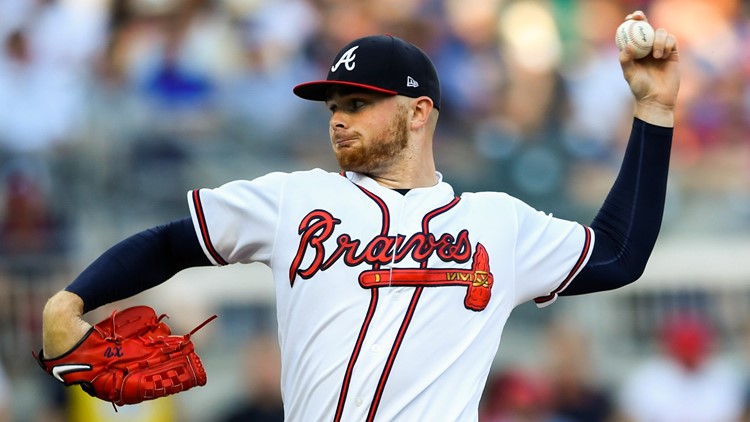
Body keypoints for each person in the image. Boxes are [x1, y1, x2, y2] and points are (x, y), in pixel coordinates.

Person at [39, 10, 679, 422]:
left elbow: (619, 253)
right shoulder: (294, 200)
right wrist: (70, 300)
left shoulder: (497, 223)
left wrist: (653, 113)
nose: (339, 116)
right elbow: (170, 242)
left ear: (419, 112)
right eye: (333, 104)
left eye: (360, 102)